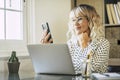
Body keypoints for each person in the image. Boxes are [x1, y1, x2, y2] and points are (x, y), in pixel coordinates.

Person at [40, 4, 110, 74]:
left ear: (90, 21)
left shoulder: (103, 43)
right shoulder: (71, 43)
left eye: (79, 19)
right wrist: (46, 50)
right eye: (73, 20)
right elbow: (62, 67)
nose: (75, 23)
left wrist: (84, 45)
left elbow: (89, 68)